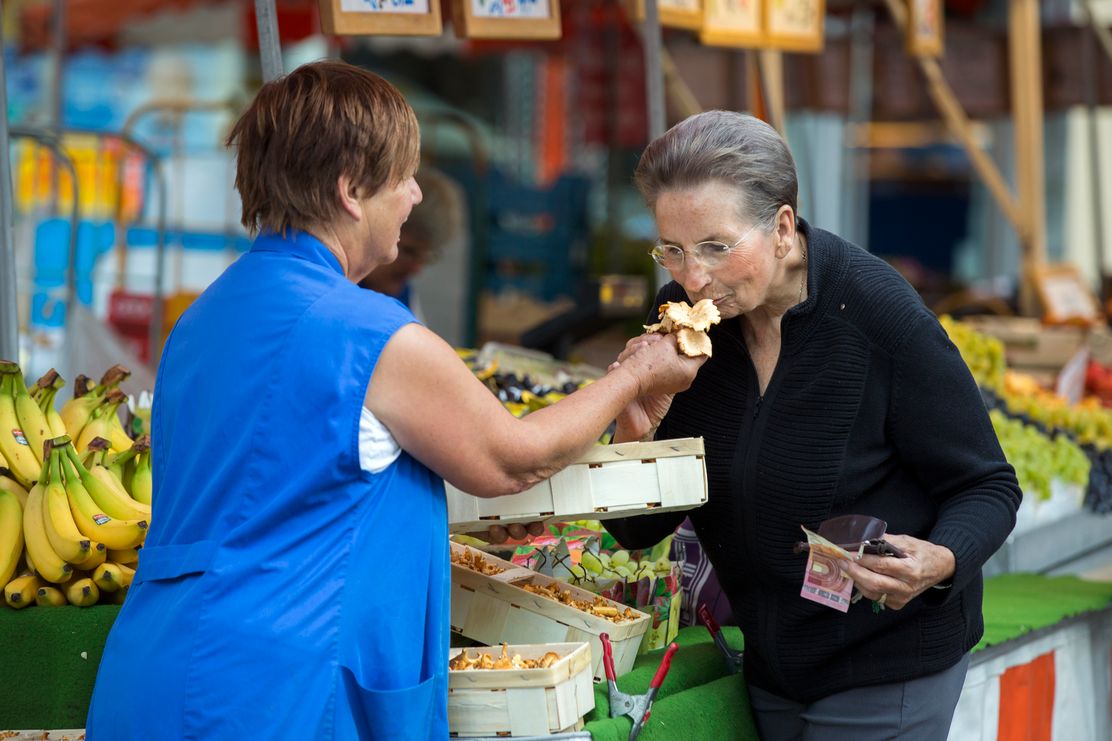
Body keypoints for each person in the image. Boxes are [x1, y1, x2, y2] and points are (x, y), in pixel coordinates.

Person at [84, 61, 704, 740]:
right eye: (404, 175)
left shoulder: (202, 320)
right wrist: (634, 376)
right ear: (352, 189)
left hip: (156, 672)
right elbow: (511, 459)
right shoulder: (365, 332)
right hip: (277, 694)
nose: (413, 196)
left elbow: (287, 487)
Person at [604, 110, 1021, 740]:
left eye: (717, 247)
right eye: (673, 249)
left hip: (888, 663)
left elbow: (988, 485)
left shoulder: (879, 315)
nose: (693, 277)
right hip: (771, 666)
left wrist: (939, 560)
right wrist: (634, 436)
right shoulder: (681, 318)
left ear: (780, 227)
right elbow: (639, 529)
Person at [359, 166, 464, 322]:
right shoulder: (338, 290)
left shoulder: (403, 297)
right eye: (409, 251)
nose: (416, 269)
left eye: (426, 256)